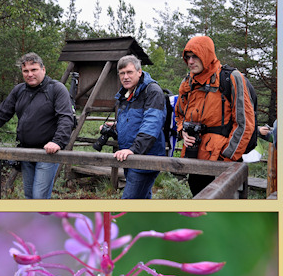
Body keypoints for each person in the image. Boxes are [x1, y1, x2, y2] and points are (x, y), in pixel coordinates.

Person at [0, 53, 75, 199]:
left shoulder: (56, 89)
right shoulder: (19, 91)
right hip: (25, 152)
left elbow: (66, 118)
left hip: (48, 154)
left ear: (43, 69)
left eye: (34, 70)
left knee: (39, 199)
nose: (30, 74)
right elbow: (0, 116)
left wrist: (57, 142)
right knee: (29, 196)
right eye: (26, 71)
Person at [174, 35, 256, 196]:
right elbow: (179, 115)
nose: (190, 62)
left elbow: (245, 123)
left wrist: (227, 158)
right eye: (188, 57)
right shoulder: (187, 83)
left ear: (207, 55)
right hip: (194, 158)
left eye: (195, 56)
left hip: (223, 162)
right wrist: (182, 130)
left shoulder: (230, 78)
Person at [108, 55, 166, 199]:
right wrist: (116, 127)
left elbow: (151, 125)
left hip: (145, 159)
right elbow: (133, 120)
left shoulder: (152, 91)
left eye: (129, 72)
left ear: (139, 72)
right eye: (122, 73)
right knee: (142, 202)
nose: (125, 77)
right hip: (131, 158)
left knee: (128, 203)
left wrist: (133, 150)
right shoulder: (126, 93)